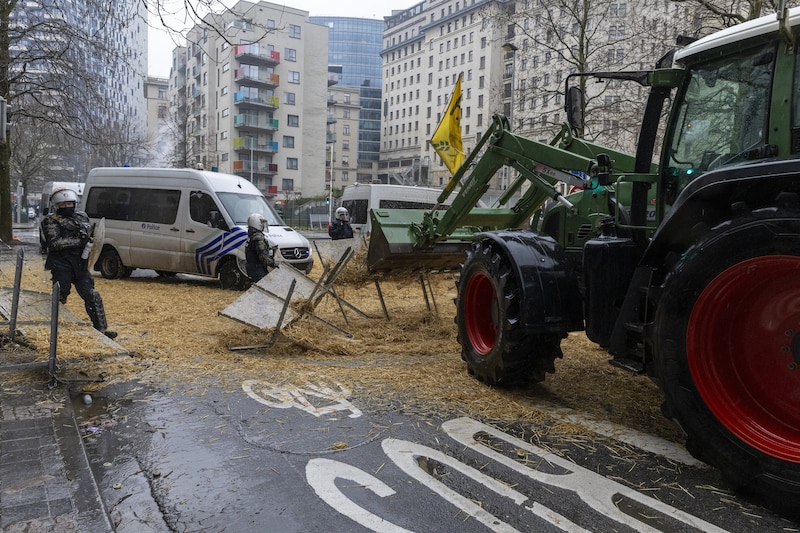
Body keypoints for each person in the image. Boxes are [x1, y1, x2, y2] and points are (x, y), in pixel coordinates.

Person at [41, 187, 117, 339]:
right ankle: (49, 329)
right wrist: (78, 241)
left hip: (80, 262)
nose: (67, 206)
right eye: (63, 204)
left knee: (92, 295)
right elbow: (54, 243)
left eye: (70, 203)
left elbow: (92, 235)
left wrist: (90, 239)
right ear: (57, 205)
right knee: (60, 295)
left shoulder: (82, 217)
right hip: (61, 263)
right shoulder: (51, 220)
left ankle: (101, 329)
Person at [245, 213, 277, 282]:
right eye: (261, 223)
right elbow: (263, 256)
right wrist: (273, 264)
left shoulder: (252, 236)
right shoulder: (258, 237)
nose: (263, 225)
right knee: (264, 286)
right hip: (257, 268)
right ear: (257, 223)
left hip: (252, 267)